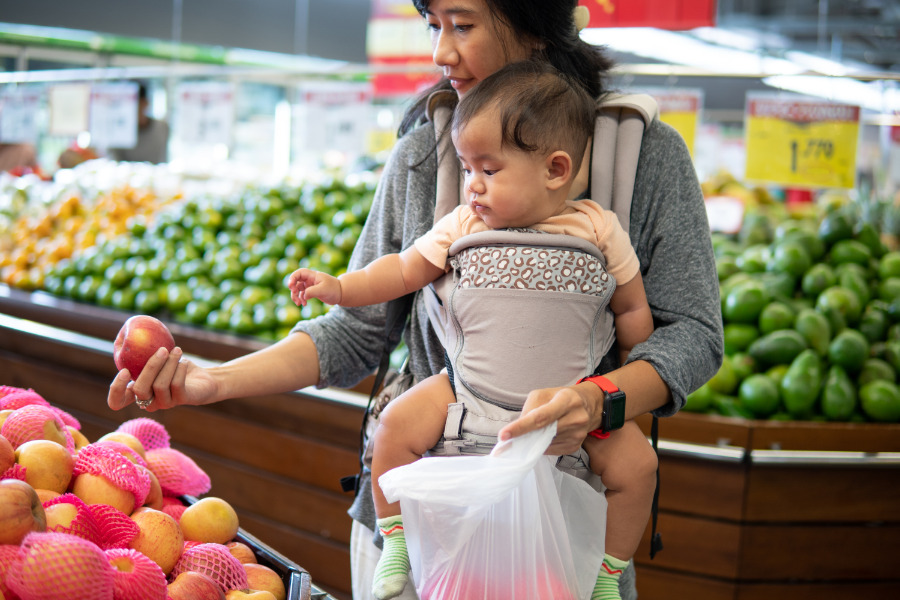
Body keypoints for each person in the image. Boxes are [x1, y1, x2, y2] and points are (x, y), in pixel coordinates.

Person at [107, 2, 724, 599]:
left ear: (533, 21)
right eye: (433, 24)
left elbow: (693, 334)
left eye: (463, 23)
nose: (440, 51)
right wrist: (213, 382)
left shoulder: (645, 158)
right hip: (421, 520)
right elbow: (354, 332)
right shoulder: (424, 155)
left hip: (572, 533)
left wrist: (599, 401)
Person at [288, 60, 657, 600]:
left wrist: (625, 376)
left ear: (556, 170)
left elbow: (632, 309)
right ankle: (396, 539)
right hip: (463, 398)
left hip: (567, 415)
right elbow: (400, 270)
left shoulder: (598, 227)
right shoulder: (463, 224)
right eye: (465, 169)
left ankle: (603, 577)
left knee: (638, 466)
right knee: (392, 427)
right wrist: (341, 287)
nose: (473, 186)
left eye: (489, 169)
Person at [108, 82, 169, 164]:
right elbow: (114, 162)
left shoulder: (161, 128)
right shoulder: (118, 132)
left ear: (145, 103)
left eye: (134, 104)